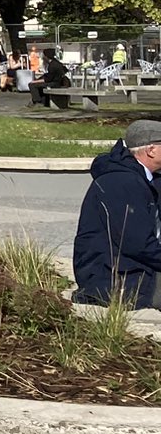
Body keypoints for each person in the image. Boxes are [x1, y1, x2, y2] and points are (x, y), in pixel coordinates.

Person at [72, 121, 161, 308]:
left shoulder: (145, 178)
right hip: (117, 280)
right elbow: (138, 244)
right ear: (151, 150)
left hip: (137, 270)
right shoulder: (122, 183)